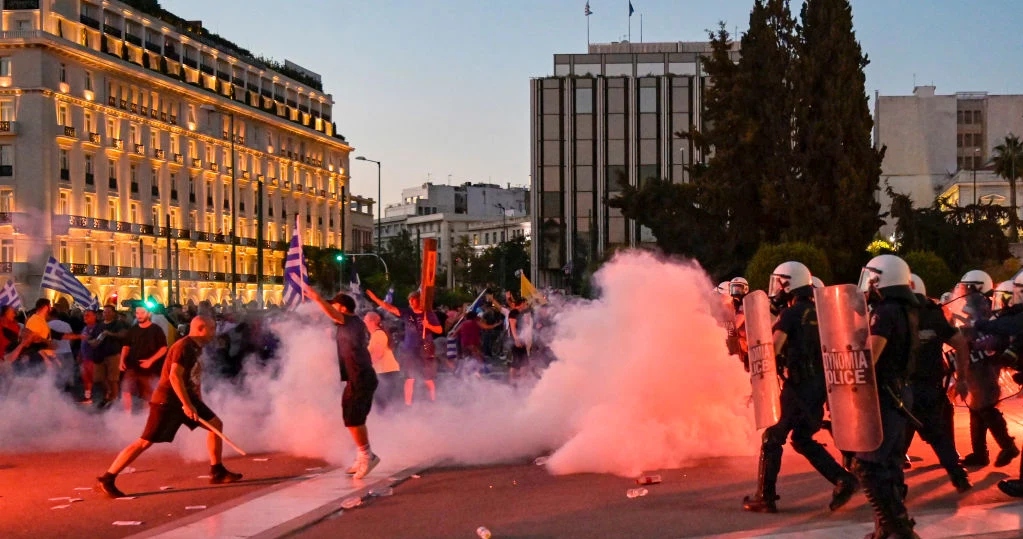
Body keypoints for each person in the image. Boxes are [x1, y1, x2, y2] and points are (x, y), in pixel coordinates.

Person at [743, 261, 858, 514]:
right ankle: (843, 479)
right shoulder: (822, 312)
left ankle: (766, 496)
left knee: (772, 438)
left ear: (788, 284)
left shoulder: (792, 314)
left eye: (779, 283)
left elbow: (773, 348)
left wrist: (760, 377)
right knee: (802, 438)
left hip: (798, 386)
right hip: (820, 386)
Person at [95, 315, 242, 498]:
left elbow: (193, 376)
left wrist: (197, 400)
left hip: (186, 398)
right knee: (145, 442)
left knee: (215, 425)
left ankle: (217, 471)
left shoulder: (196, 347)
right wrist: (187, 405)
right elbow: (174, 376)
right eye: (212, 328)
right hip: (168, 401)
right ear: (201, 328)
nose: (214, 333)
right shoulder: (184, 347)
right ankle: (108, 478)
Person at [854, 254, 919, 538]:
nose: (867, 286)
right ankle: (888, 529)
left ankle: (899, 530)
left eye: (871, 279)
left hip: (884, 394)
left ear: (881, 280)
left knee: (867, 466)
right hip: (899, 392)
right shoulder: (906, 310)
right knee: (890, 466)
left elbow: (871, 355)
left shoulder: (886, 312)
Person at [298, 281, 381, 480]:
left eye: (334, 307)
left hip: (361, 376)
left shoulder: (349, 321)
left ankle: (367, 455)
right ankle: (362, 454)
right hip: (355, 377)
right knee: (349, 417)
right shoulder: (349, 323)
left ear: (342, 308)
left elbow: (331, 313)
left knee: (355, 418)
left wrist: (316, 298)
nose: (332, 312)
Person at [902, 274, 972, 492]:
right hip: (931, 386)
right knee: (937, 433)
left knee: (894, 437)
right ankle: (958, 475)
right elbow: (960, 344)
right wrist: (962, 380)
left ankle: (892, 492)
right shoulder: (934, 315)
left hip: (902, 387)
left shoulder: (894, 314)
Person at [955, 270, 1018, 468]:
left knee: (985, 407)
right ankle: (980, 453)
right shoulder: (976, 305)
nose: (963, 290)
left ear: (977, 286)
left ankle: (1007, 445)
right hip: (978, 362)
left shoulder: (981, 306)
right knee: (977, 408)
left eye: (967, 286)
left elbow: (989, 333)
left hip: (984, 364)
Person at [366, 289, 442, 405]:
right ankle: (408, 404)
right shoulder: (407, 313)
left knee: (428, 378)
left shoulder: (428, 314)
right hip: (409, 349)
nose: (411, 302)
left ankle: (433, 400)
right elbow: (390, 308)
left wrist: (428, 325)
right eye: (409, 300)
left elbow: (439, 330)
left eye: (413, 300)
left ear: (419, 301)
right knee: (409, 377)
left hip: (426, 348)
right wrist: (376, 299)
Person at [120, 305, 168, 414]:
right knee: (126, 390)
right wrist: (122, 360)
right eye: (137, 313)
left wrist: (150, 361)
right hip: (132, 365)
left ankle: (146, 417)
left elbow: (163, 348)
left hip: (150, 368)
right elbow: (126, 346)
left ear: (149, 314)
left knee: (148, 394)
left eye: (142, 313)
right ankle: (127, 417)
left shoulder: (156, 329)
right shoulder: (133, 330)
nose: (140, 316)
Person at [364, 311, 401, 412]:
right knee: (380, 402)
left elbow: (378, 354)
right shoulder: (375, 335)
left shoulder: (378, 335)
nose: (364, 322)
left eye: (365, 320)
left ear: (372, 322)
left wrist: (364, 367)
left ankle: (388, 424)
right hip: (383, 372)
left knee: (382, 403)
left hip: (386, 372)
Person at [92, 305, 128, 408]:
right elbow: (92, 337)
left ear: (113, 313)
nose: (105, 314)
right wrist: (92, 342)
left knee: (113, 378)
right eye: (104, 312)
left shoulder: (118, 324)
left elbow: (123, 334)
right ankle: (108, 393)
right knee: (98, 378)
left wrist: (110, 334)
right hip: (100, 355)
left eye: (108, 312)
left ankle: (114, 399)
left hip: (113, 354)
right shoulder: (99, 325)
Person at [506, 293, 534, 383]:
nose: (526, 305)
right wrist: (516, 339)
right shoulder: (514, 312)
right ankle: (515, 381)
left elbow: (526, 324)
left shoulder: (520, 313)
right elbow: (513, 326)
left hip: (519, 339)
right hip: (516, 340)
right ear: (521, 303)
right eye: (525, 303)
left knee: (520, 361)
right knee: (518, 362)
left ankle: (519, 381)